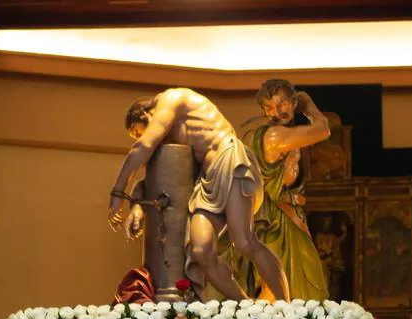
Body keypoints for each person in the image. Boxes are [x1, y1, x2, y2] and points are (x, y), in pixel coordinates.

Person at [108, 88, 290, 301]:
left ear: (146, 114)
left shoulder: (172, 99)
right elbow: (159, 176)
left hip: (229, 160)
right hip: (206, 180)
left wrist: (118, 191)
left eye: (141, 131)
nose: (150, 138)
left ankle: (285, 306)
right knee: (200, 251)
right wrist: (137, 205)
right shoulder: (178, 134)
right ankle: (248, 308)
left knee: (244, 241)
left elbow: (144, 146)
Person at [232, 78, 330, 301]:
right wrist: (308, 103)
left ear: (292, 103)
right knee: (277, 286)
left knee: (295, 286)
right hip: (274, 219)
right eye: (268, 108)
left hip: (289, 216)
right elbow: (323, 129)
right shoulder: (274, 136)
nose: (276, 112)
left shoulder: (283, 133)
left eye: (282, 104)